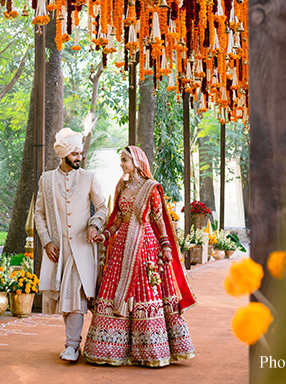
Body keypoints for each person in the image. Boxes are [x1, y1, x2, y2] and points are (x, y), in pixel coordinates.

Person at [83, 145, 195, 367]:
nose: (121, 164)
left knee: (145, 292)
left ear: (136, 162)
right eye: (121, 160)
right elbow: (117, 219)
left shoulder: (151, 187)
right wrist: (105, 235)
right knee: (115, 289)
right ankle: (112, 350)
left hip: (145, 246)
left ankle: (150, 351)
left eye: (125, 160)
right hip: (122, 245)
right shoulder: (121, 186)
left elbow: (158, 219)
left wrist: (165, 246)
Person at [34, 127, 109, 362]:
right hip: (58, 250)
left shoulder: (89, 177)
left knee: (74, 295)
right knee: (64, 297)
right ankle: (72, 343)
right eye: (75, 154)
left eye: (80, 154)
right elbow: (39, 214)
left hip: (82, 248)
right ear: (64, 154)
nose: (79, 158)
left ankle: (72, 345)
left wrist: (94, 225)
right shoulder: (47, 180)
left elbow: (103, 207)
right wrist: (46, 241)